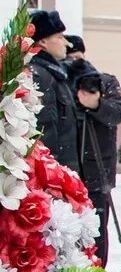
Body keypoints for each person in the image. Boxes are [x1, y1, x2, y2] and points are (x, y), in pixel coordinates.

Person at [63, 35, 121, 264]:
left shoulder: (103, 81)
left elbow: (120, 112)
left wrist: (96, 104)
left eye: (76, 59)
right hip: (64, 170)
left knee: (96, 231)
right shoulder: (58, 83)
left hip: (96, 173)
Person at [28, 10, 80, 173]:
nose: (66, 43)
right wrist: (53, 178)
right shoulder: (39, 76)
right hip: (52, 177)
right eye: (59, 37)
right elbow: (45, 134)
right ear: (42, 41)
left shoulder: (53, 74)